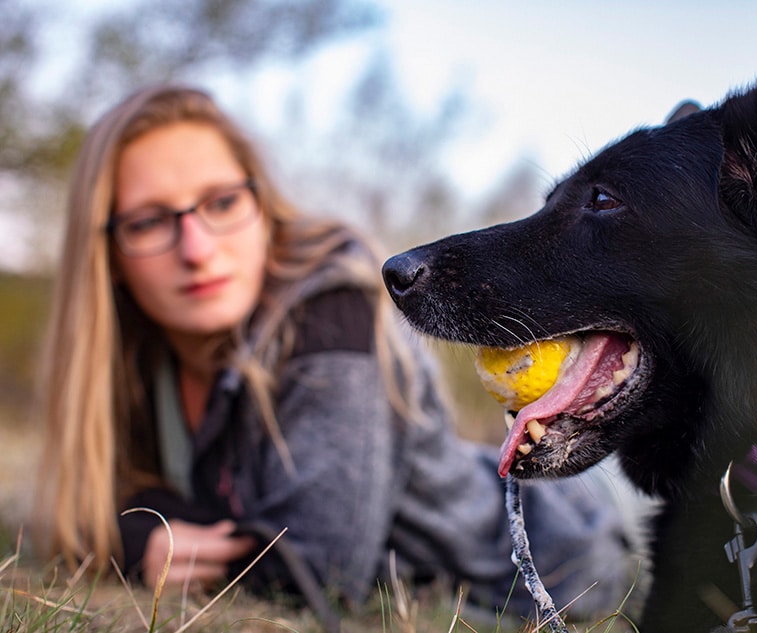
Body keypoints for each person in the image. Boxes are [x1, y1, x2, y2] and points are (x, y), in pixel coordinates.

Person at [31, 84, 640, 625]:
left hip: (563, 557)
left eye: (220, 203)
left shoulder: (332, 315)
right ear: (107, 249)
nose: (196, 248)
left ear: (261, 207)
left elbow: (320, 570)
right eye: (149, 221)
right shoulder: (139, 355)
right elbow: (69, 503)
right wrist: (134, 533)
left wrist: (142, 531)